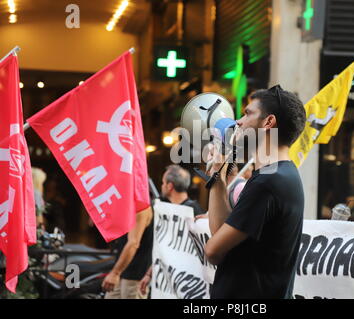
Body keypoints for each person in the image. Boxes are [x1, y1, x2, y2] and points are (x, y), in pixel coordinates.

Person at [204, 84, 306, 298]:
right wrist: (218, 175)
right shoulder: (279, 174)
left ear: (269, 122)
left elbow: (212, 252)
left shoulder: (267, 183)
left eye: (248, 113)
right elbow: (220, 233)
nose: (239, 121)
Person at [138, 165, 205, 296]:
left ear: (170, 186)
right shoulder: (170, 211)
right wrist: (150, 274)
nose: (161, 186)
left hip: (185, 288)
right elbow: (167, 249)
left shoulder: (193, 212)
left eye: (163, 183)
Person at [102, 206, 153, 299]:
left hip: (135, 275)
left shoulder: (141, 207)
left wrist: (115, 273)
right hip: (122, 271)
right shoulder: (129, 205)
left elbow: (134, 243)